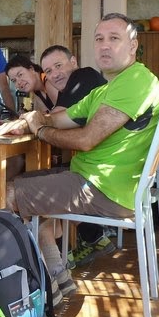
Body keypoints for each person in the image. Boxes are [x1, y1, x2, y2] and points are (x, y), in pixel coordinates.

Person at [6, 13, 159, 303]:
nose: (105, 45)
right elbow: (61, 119)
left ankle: (31, 288)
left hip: (102, 188)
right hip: (99, 181)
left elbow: (85, 139)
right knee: (23, 184)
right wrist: (32, 119)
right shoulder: (108, 88)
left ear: (133, 45)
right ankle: (56, 276)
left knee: (3, 194)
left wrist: (39, 130)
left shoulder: (136, 81)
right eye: (99, 39)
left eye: (114, 38)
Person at [39, 45, 112, 269]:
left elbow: (56, 117)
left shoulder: (84, 76)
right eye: (48, 71)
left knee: (39, 184)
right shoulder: (73, 87)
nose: (54, 74)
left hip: (103, 174)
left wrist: (32, 121)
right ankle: (92, 237)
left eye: (58, 66)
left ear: (74, 62)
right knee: (52, 174)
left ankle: (62, 258)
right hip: (105, 166)